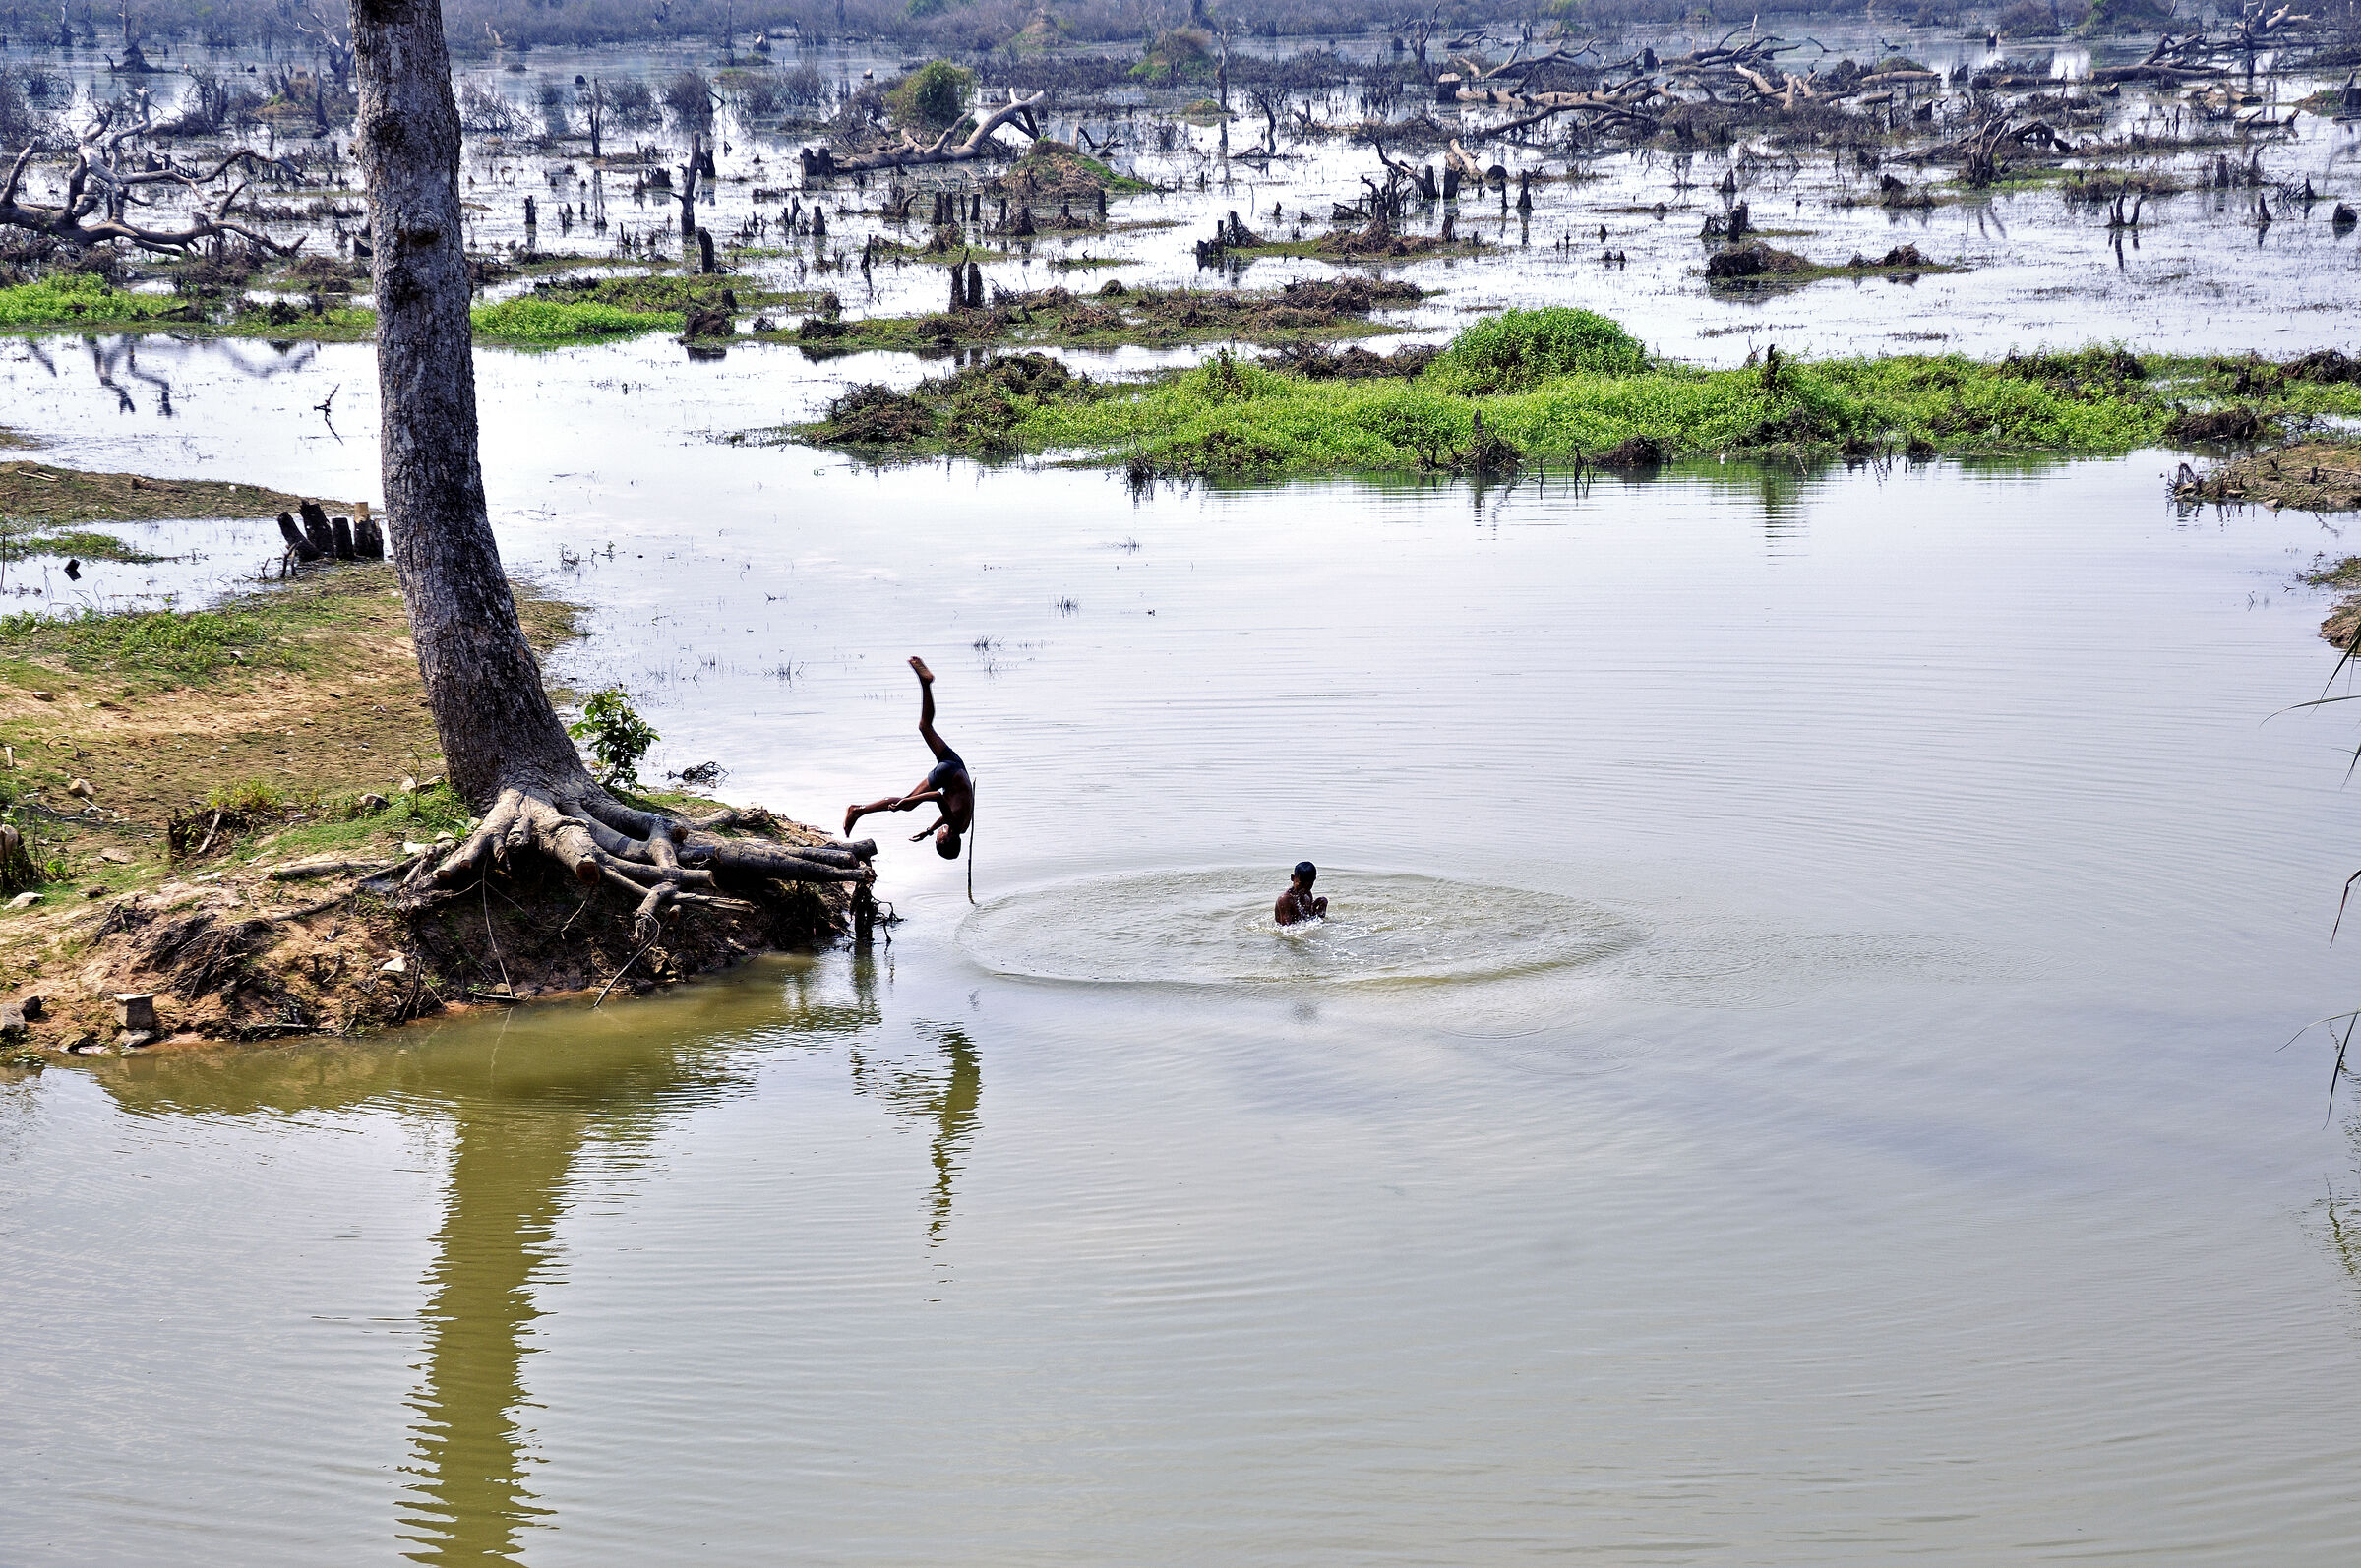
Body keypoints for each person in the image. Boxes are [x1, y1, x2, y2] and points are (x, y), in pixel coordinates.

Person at [846, 656, 974, 860]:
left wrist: (929, 830)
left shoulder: (961, 827)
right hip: (949, 774)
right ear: (947, 839)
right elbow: (937, 797)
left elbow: (946, 816)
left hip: (956, 765)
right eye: (938, 839)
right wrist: (907, 801)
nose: (937, 836)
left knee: (925, 726)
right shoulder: (955, 824)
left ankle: (925, 684)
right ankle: (857, 811)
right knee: (906, 805)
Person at [1273, 861, 1327, 927]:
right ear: (1292, 878)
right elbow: (1286, 928)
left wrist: (1318, 906)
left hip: (1299, 926)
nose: (1304, 889)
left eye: (1309, 885)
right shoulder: (1285, 900)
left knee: (1323, 901)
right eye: (1301, 884)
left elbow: (1309, 917)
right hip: (1287, 930)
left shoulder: (1308, 894)